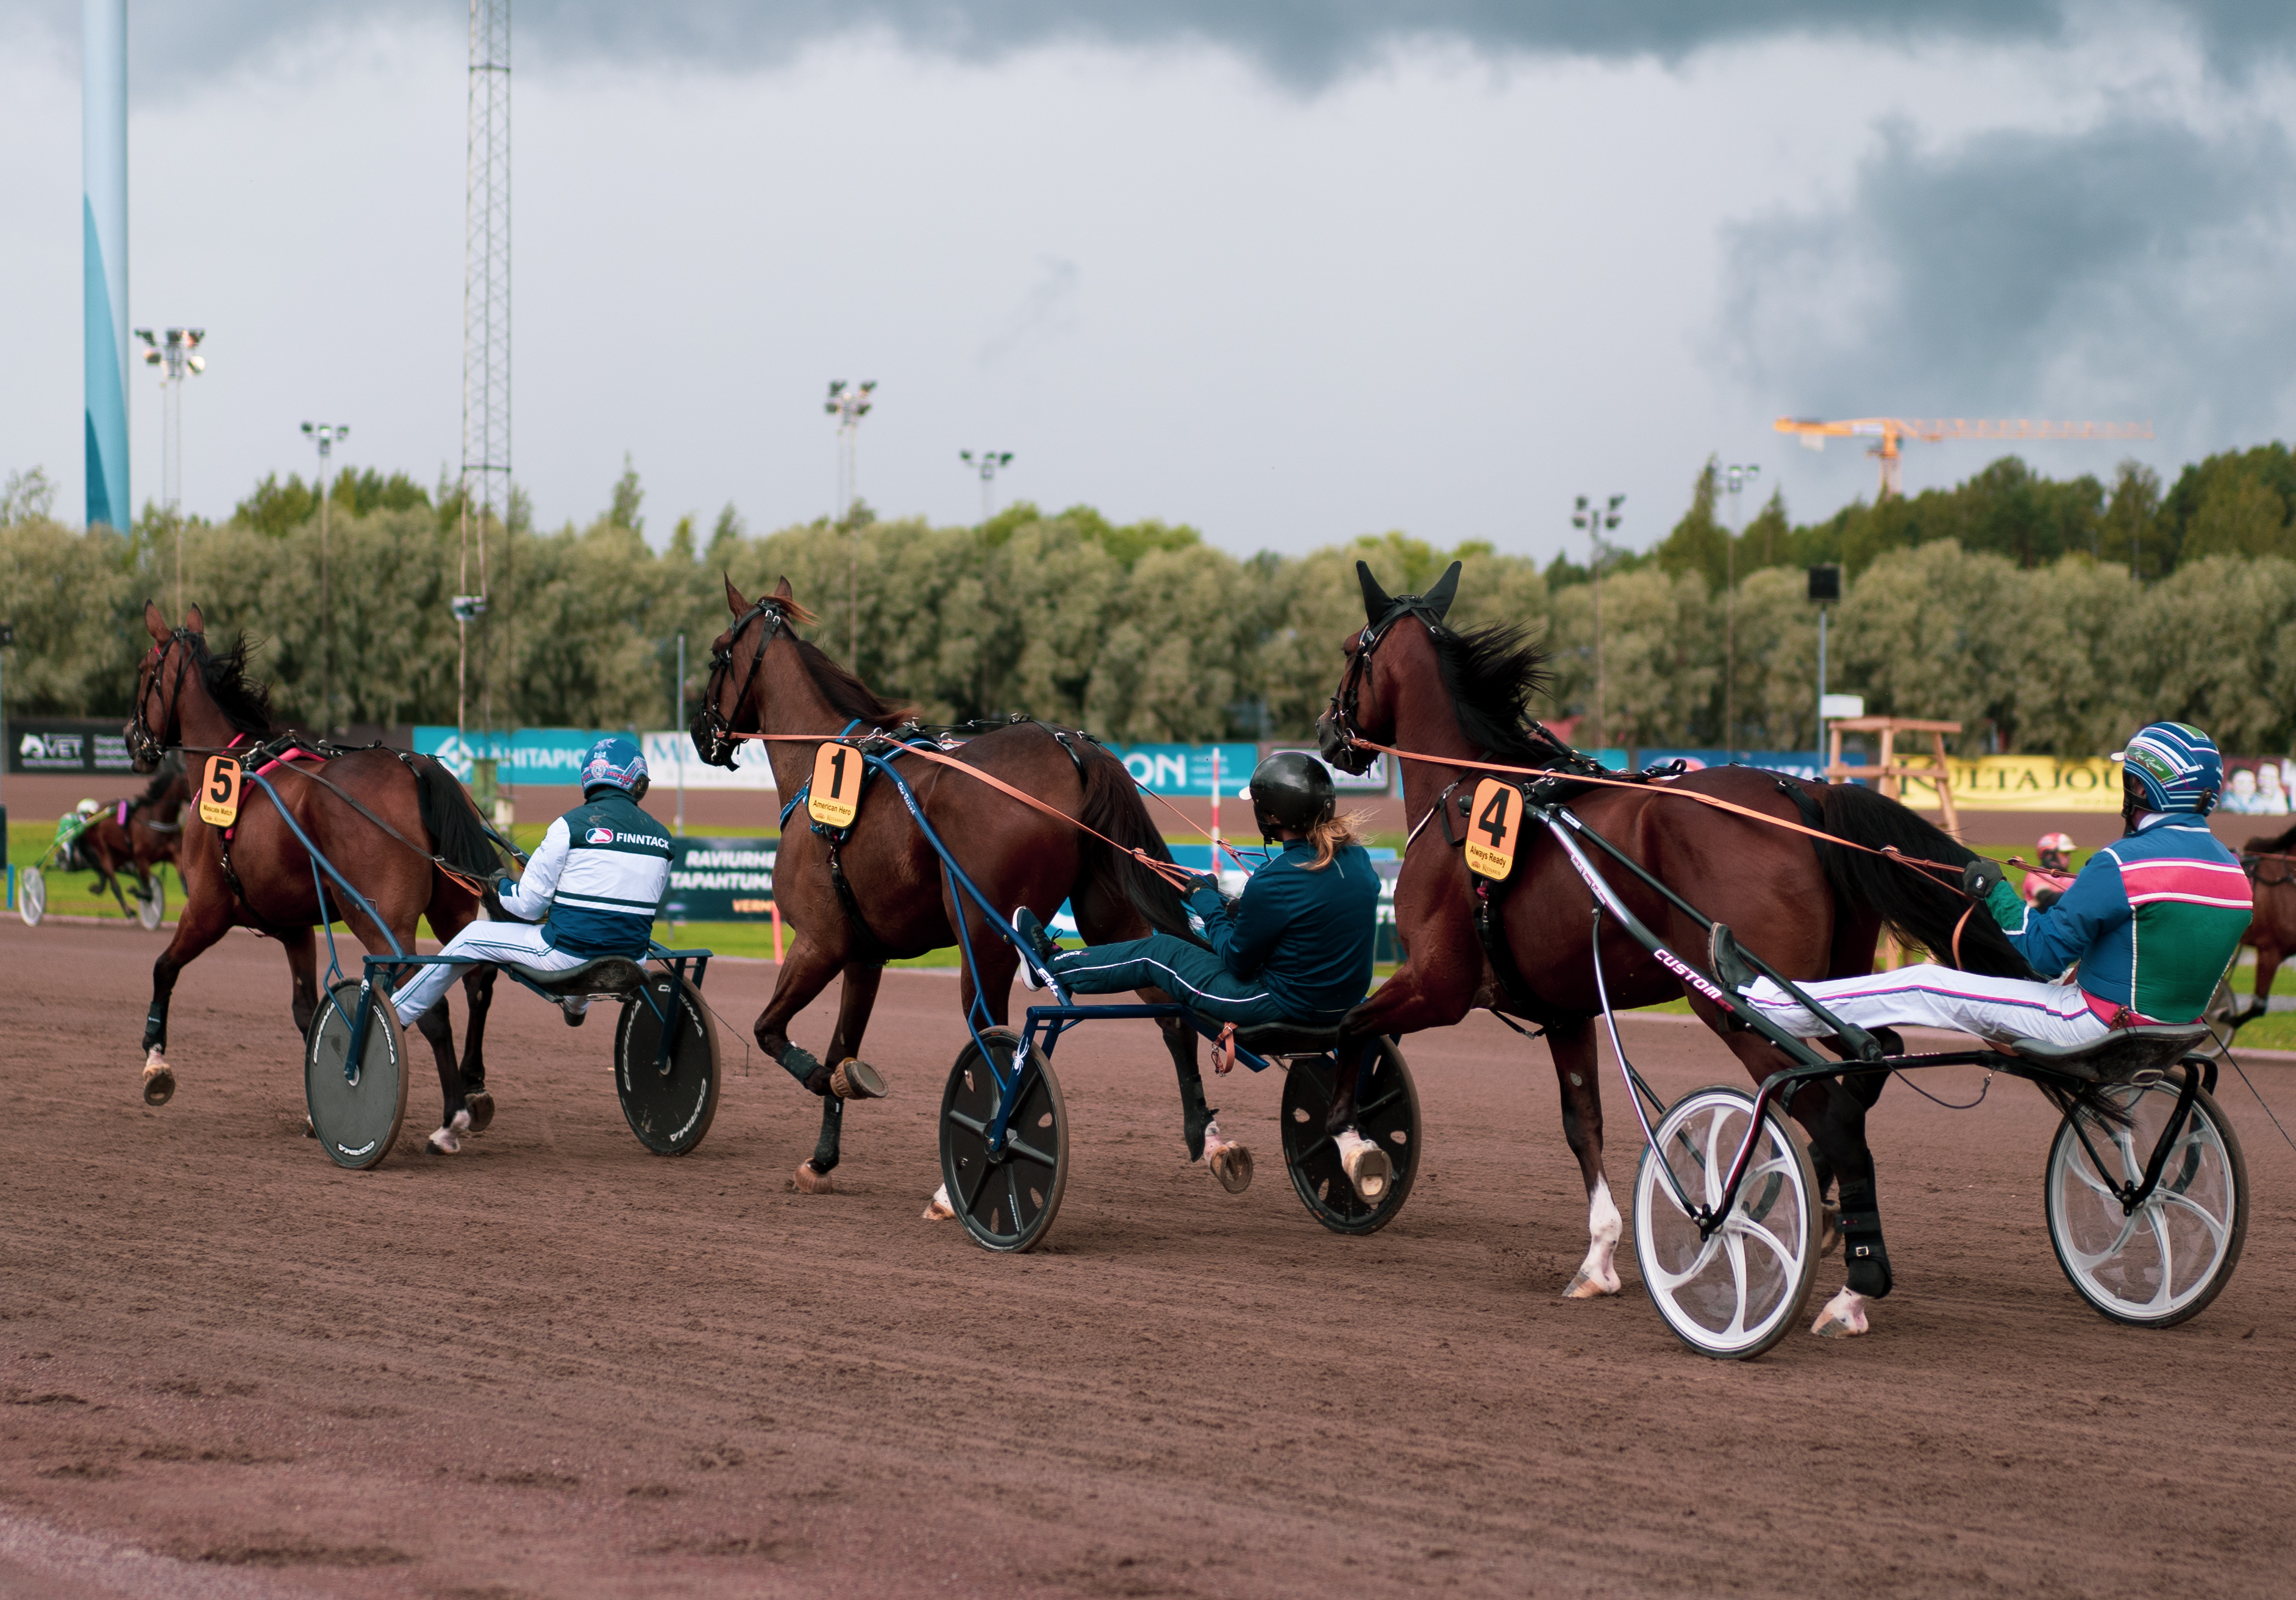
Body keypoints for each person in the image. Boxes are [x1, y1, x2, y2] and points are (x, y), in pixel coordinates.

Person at [1732, 722, 2252, 1047]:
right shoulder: (2233, 872)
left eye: (2129, 780)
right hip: (2176, 1032)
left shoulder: (2122, 863)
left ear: (2142, 786)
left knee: (1925, 984)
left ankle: (1765, 1003)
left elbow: (2041, 956)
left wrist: (1996, 891)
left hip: (2093, 1025)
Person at [1011, 752, 1379, 1027]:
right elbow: (1308, 922)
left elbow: (1237, 961)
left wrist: (1206, 902)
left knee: (1160, 950)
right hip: (1344, 1003)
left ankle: (1051, 966)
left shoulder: (1275, 880)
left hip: (1279, 1004)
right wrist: (1237, 910)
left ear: (1271, 817)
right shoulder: (1358, 860)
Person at [390, 736, 673, 1032]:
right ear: (637, 782)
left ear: (590, 777)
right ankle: (576, 1007)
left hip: (564, 957)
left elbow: (528, 907)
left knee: (470, 937)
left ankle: (398, 1014)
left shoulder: (568, 827)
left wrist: (502, 886)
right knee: (601, 929)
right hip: (635, 959)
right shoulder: (665, 839)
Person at [2023, 831, 2077, 907]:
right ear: (2049, 856)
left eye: (2069, 853)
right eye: (2064, 853)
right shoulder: (2035, 875)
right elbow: (2046, 897)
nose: (2068, 857)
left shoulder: (2071, 878)